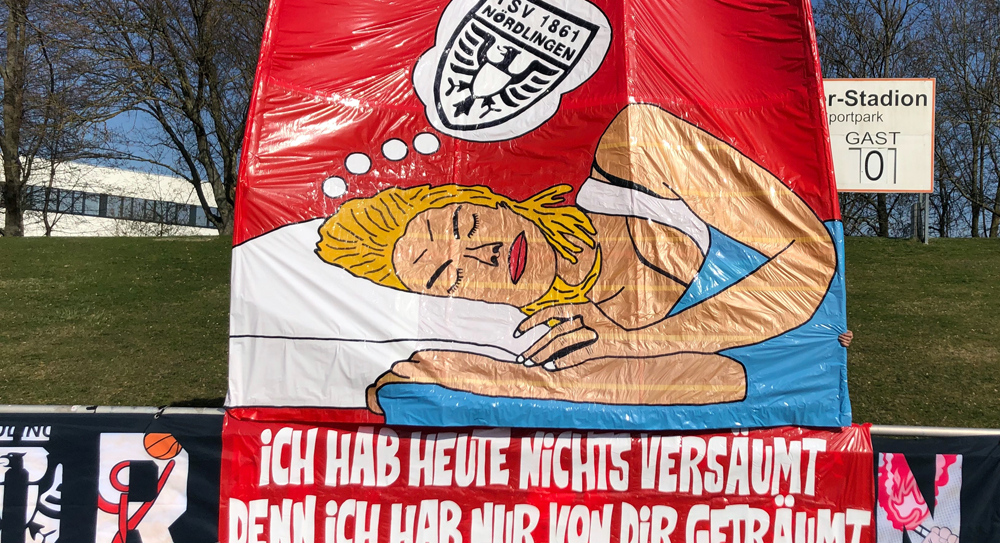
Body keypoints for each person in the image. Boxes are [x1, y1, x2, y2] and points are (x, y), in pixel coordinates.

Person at [317, 104, 840, 414]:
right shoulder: (570, 340)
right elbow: (730, 379)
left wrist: (637, 343)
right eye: (451, 276)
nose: (483, 254)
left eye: (464, 224)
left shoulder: (633, 148)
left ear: (490, 200)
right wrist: (499, 378)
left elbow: (811, 259)